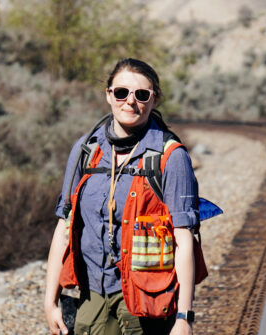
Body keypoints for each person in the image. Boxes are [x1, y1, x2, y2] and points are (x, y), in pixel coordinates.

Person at [44, 58, 201, 335]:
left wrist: (183, 317)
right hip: (90, 298)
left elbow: (184, 240)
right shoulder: (86, 150)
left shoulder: (171, 156)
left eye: (142, 95)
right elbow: (63, 228)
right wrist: (50, 301)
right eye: (121, 92)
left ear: (154, 100)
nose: (131, 101)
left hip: (144, 303)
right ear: (109, 95)